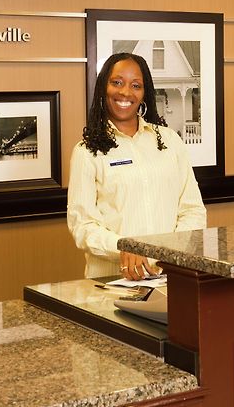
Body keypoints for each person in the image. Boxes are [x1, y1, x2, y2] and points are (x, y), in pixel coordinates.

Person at [67, 53, 206, 281]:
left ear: (144, 93)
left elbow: (193, 210)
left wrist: (168, 252)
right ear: (104, 87)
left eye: (136, 85)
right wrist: (124, 247)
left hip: (169, 276)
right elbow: (82, 225)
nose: (125, 92)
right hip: (111, 282)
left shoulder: (170, 141)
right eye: (117, 82)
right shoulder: (86, 151)